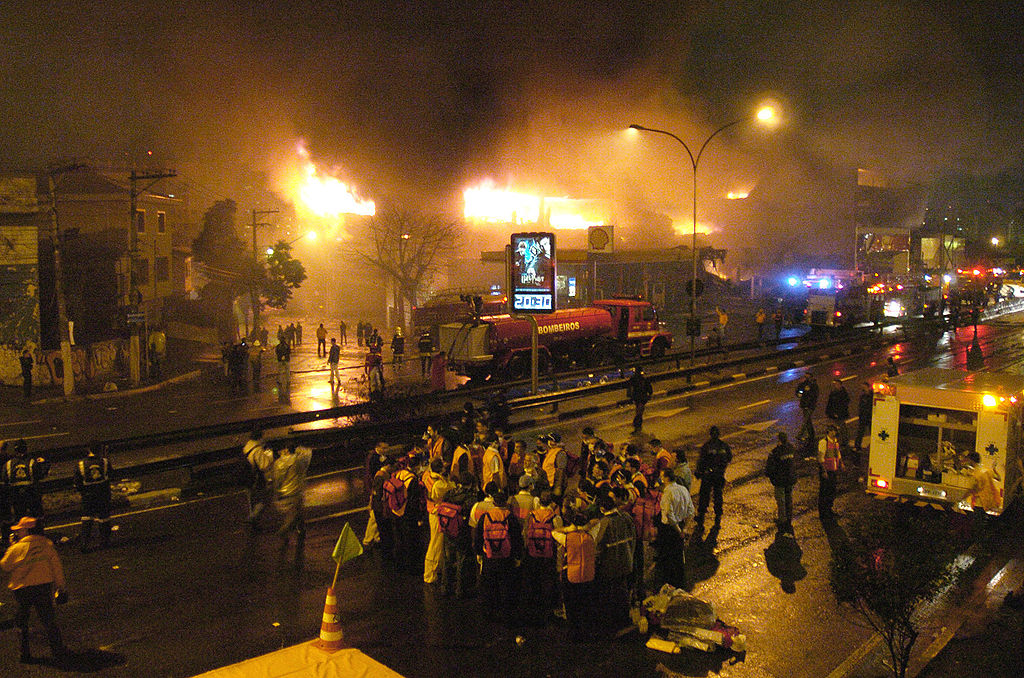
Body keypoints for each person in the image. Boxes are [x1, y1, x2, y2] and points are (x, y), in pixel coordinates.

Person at [1, 516, 69, 664]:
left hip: (22, 589)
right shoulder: (46, 544)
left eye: (20, 530)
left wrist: (11, 546)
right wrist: (61, 587)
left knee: (22, 621)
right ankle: (58, 650)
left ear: (27, 530)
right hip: (43, 586)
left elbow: (5, 565)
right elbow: (56, 568)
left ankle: (24, 653)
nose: (17, 532)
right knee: (48, 619)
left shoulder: (17, 548)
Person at [475, 489, 522, 621]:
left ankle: (489, 613)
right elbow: (516, 538)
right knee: (506, 585)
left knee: (489, 586)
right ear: (505, 503)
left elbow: (478, 537)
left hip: (489, 556)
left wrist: (479, 553)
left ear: (494, 503)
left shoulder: (485, 517)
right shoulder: (510, 517)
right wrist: (518, 556)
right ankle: (507, 614)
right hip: (506, 558)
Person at [269, 440, 313, 555]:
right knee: (295, 513)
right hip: (297, 491)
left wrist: (277, 492)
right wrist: (299, 449)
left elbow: (277, 480)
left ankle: (301, 529)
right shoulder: (299, 460)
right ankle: (286, 530)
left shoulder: (278, 463)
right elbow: (308, 452)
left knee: (296, 512)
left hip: (285, 492)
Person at [657, 467, 693, 590]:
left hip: (669, 530)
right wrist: (684, 529)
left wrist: (678, 531)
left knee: (668, 559)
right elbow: (691, 511)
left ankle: (669, 586)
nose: (660, 479)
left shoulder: (668, 493)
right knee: (679, 557)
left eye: (662, 476)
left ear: (666, 478)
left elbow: (669, 514)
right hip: (681, 525)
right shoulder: (683, 490)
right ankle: (680, 584)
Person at [74, 444, 114, 552]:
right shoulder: (104, 462)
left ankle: (84, 544)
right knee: (104, 518)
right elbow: (111, 474)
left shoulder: (81, 464)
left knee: (87, 518)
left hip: (88, 495)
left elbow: (77, 481)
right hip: (103, 494)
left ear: (89, 450)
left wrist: (83, 492)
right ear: (100, 450)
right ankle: (104, 542)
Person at [694, 426, 731, 535]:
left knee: (704, 495)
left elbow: (701, 460)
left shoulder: (707, 446)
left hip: (708, 475)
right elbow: (729, 458)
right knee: (718, 494)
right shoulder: (724, 446)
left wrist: (699, 472)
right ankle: (718, 514)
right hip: (719, 474)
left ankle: (701, 515)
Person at [765, 432, 796, 534]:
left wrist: (771, 477)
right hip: (790, 479)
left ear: (779, 440)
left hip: (780, 481)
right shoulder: (791, 448)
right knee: (789, 499)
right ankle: (789, 517)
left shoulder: (775, 452)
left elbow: (770, 468)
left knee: (781, 501)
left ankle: (782, 520)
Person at [243, 429, 273, 530]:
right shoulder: (257, 450)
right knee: (264, 500)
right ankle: (252, 517)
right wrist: (268, 455)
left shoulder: (247, 447)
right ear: (259, 438)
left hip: (247, 478)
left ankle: (254, 525)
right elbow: (264, 466)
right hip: (256, 479)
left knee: (252, 502)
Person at [817, 425, 843, 520]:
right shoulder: (823, 442)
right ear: (829, 431)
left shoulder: (835, 441)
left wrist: (841, 463)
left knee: (832, 490)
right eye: (833, 431)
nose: (834, 433)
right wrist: (823, 471)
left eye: (835, 431)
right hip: (826, 471)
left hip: (833, 470)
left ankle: (829, 509)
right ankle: (823, 512)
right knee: (825, 491)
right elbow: (820, 458)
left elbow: (838, 453)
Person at [825, 378, 851, 452]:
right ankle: (838, 441)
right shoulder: (833, 392)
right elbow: (830, 403)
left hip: (840, 413)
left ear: (840, 385)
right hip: (834, 413)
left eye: (837, 384)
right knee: (836, 427)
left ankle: (844, 441)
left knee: (842, 427)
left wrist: (838, 413)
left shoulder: (843, 393)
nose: (835, 386)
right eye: (835, 384)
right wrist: (828, 412)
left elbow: (844, 404)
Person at [795, 373, 819, 450]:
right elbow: (799, 391)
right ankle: (811, 435)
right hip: (804, 405)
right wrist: (800, 393)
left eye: (808, 377)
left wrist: (809, 400)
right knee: (808, 421)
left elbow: (814, 395)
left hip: (810, 406)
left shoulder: (814, 385)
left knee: (805, 421)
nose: (806, 378)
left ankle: (801, 434)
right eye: (805, 377)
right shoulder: (803, 384)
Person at [626, 368, 653, 434]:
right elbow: (630, 387)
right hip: (639, 397)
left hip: (641, 397)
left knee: (639, 411)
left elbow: (649, 388)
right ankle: (637, 425)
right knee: (639, 411)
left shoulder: (642, 380)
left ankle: (637, 425)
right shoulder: (637, 379)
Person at [853, 381, 873, 463]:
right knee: (860, 432)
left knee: (872, 432)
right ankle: (857, 446)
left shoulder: (872, 396)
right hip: (863, 417)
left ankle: (874, 446)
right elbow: (861, 406)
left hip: (870, 417)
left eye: (864, 387)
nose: (863, 389)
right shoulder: (863, 396)